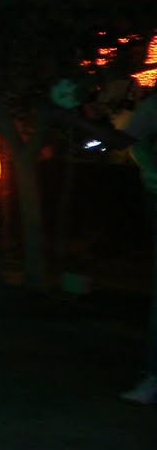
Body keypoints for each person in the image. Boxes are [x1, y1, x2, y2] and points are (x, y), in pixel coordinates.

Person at [74, 79, 157, 403]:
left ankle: (153, 377)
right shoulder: (144, 107)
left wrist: (70, 119)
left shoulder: (151, 108)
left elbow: (118, 140)